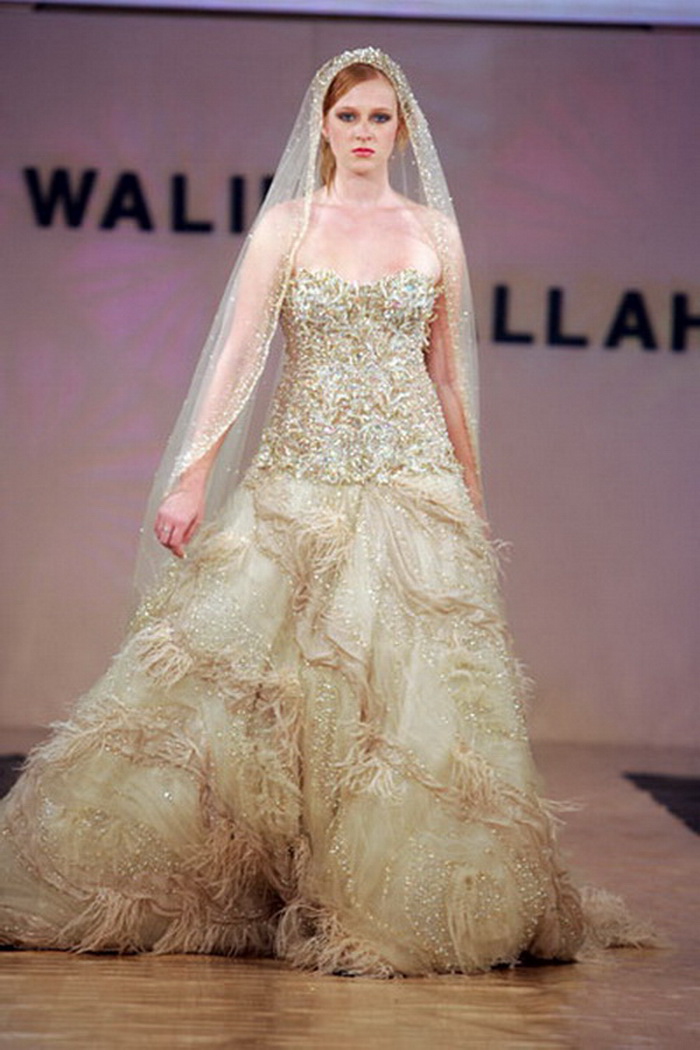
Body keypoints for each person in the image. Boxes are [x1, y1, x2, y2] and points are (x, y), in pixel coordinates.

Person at [0, 48, 651, 976]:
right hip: (298, 479)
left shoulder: (434, 233)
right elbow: (238, 356)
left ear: (403, 129)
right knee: (247, 687)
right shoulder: (288, 227)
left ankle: (397, 895)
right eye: (348, 117)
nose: (362, 133)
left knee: (410, 706)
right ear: (323, 127)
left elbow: (447, 377)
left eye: (379, 117)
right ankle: (253, 881)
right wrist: (191, 476)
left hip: (411, 484)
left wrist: (470, 497)